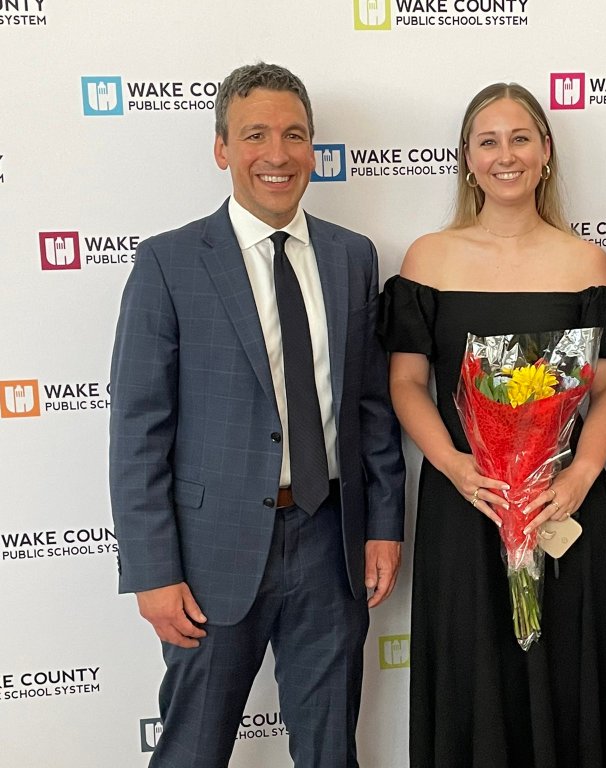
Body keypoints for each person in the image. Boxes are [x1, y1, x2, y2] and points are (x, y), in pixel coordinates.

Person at [108, 62, 405, 768]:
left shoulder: (351, 257)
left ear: (313, 149)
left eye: (294, 135)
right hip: (211, 555)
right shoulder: (169, 263)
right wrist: (152, 570)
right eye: (255, 135)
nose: (278, 153)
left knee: (329, 751)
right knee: (192, 750)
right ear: (222, 149)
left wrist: (384, 525)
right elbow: (138, 431)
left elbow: (371, 408)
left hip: (330, 542)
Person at [379, 82, 606, 768]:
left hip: (562, 507)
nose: (506, 155)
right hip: (467, 504)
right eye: (488, 141)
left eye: (520, 138)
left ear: (545, 151)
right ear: (467, 158)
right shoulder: (427, 258)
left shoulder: (587, 263)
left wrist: (579, 476)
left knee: (567, 684)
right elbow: (406, 383)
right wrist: (456, 466)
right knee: (473, 683)